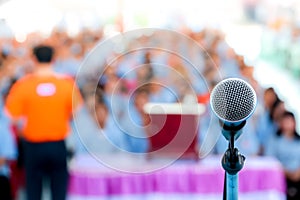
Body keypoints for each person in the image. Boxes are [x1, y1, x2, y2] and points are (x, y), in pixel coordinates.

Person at [5, 44, 82, 200]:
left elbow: (11, 116)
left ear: (34, 59)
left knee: (33, 190)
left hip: (33, 146)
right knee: (59, 189)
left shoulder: (23, 85)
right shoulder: (66, 83)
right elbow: (77, 111)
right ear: (54, 59)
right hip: (58, 144)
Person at [266, 111, 300, 200]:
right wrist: (286, 172)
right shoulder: (274, 140)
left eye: (290, 121)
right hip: (281, 177)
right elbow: (270, 160)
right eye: (286, 121)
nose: (288, 124)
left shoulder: (298, 141)